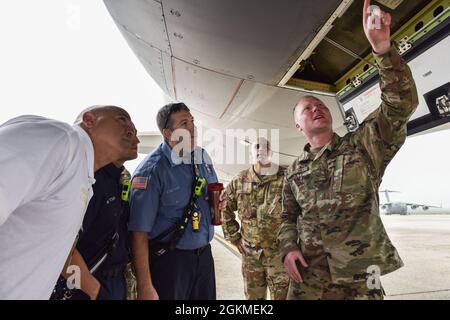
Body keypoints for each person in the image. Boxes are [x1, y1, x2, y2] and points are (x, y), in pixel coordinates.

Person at [277, 0, 418, 300]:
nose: (317, 109)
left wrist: (382, 50)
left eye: (320, 105)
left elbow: (399, 105)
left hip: (363, 273)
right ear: (298, 126)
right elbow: (287, 217)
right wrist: (288, 248)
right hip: (309, 276)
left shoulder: (363, 146)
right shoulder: (293, 172)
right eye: (307, 109)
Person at [0, 105, 137, 299]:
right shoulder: (62, 140)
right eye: (122, 119)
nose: (131, 128)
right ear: (89, 120)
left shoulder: (84, 177)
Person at [129, 102, 223, 300]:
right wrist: (144, 285)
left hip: (204, 256)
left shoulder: (201, 157)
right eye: (183, 123)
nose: (192, 128)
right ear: (168, 133)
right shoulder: (152, 172)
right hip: (170, 262)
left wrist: (217, 203)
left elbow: (210, 193)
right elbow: (138, 233)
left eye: (192, 121)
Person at [56, 126, 139, 300]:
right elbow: (62, 250)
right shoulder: (89, 181)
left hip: (115, 282)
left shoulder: (122, 177)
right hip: (86, 284)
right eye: (128, 133)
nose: (137, 141)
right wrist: (94, 291)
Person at [222, 137, 289, 300]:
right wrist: (234, 237)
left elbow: (299, 210)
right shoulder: (240, 180)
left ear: (272, 152)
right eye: (257, 147)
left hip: (278, 254)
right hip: (251, 255)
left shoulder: (285, 178)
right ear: (251, 153)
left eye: (266, 146)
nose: (261, 150)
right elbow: (225, 208)